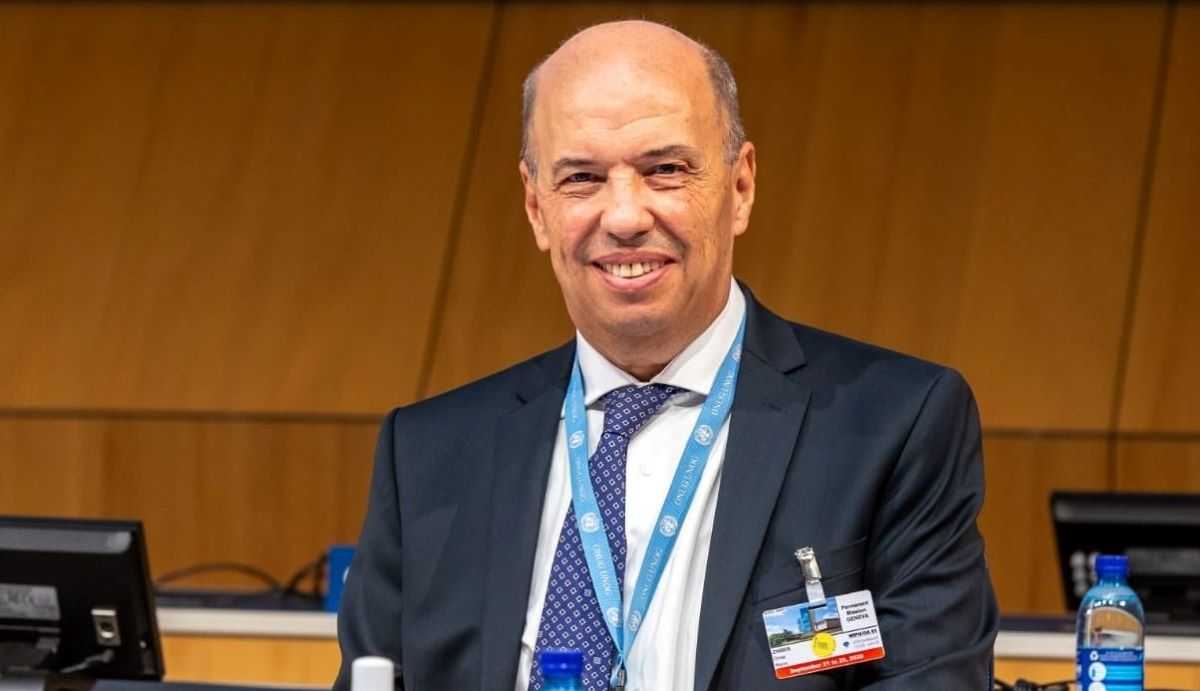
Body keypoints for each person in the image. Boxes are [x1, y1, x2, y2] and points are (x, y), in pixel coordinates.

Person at [335, 19, 997, 691]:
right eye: (582, 177)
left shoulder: (894, 426)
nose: (625, 216)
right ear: (536, 208)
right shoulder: (427, 454)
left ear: (740, 188)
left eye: (665, 170)